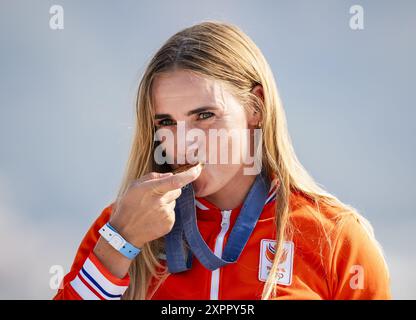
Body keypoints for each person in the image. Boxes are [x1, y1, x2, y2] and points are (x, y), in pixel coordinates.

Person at [54, 21, 391, 300]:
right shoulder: (121, 225)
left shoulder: (336, 238)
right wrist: (120, 243)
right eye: (166, 122)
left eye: (204, 115)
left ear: (255, 108)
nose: (185, 142)